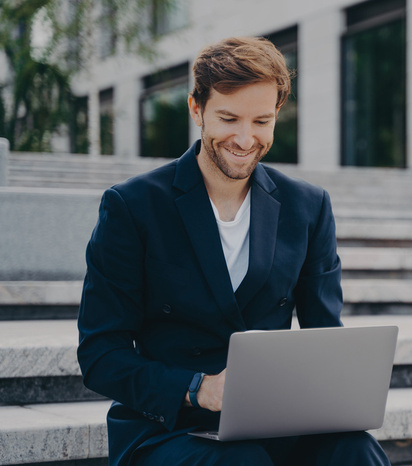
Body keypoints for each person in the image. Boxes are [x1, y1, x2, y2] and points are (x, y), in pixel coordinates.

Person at [77, 36, 391, 466]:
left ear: (277, 114)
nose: (245, 139)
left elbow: (325, 339)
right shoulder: (132, 206)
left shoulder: (308, 206)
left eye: (261, 121)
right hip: (169, 428)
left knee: (357, 451)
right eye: (229, 118)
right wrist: (197, 387)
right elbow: (100, 353)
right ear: (196, 110)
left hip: (277, 423)